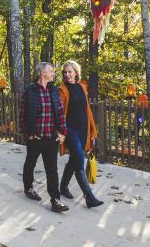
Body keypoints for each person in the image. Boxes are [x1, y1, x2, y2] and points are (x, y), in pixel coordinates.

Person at [18, 62, 69, 213]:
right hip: (35, 137)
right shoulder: (29, 91)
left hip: (51, 137)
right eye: (51, 71)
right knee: (30, 163)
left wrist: (62, 133)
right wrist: (28, 134)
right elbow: (22, 115)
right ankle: (28, 187)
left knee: (52, 169)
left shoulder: (54, 91)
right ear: (42, 73)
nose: (54, 73)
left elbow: (59, 113)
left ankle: (55, 200)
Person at [57, 61, 103, 208]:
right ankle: (89, 196)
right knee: (78, 160)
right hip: (70, 131)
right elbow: (59, 113)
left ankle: (63, 187)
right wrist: (60, 131)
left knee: (74, 160)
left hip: (83, 129)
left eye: (70, 71)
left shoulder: (82, 87)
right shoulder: (61, 90)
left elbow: (87, 110)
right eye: (65, 72)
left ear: (76, 72)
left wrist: (92, 130)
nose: (67, 74)